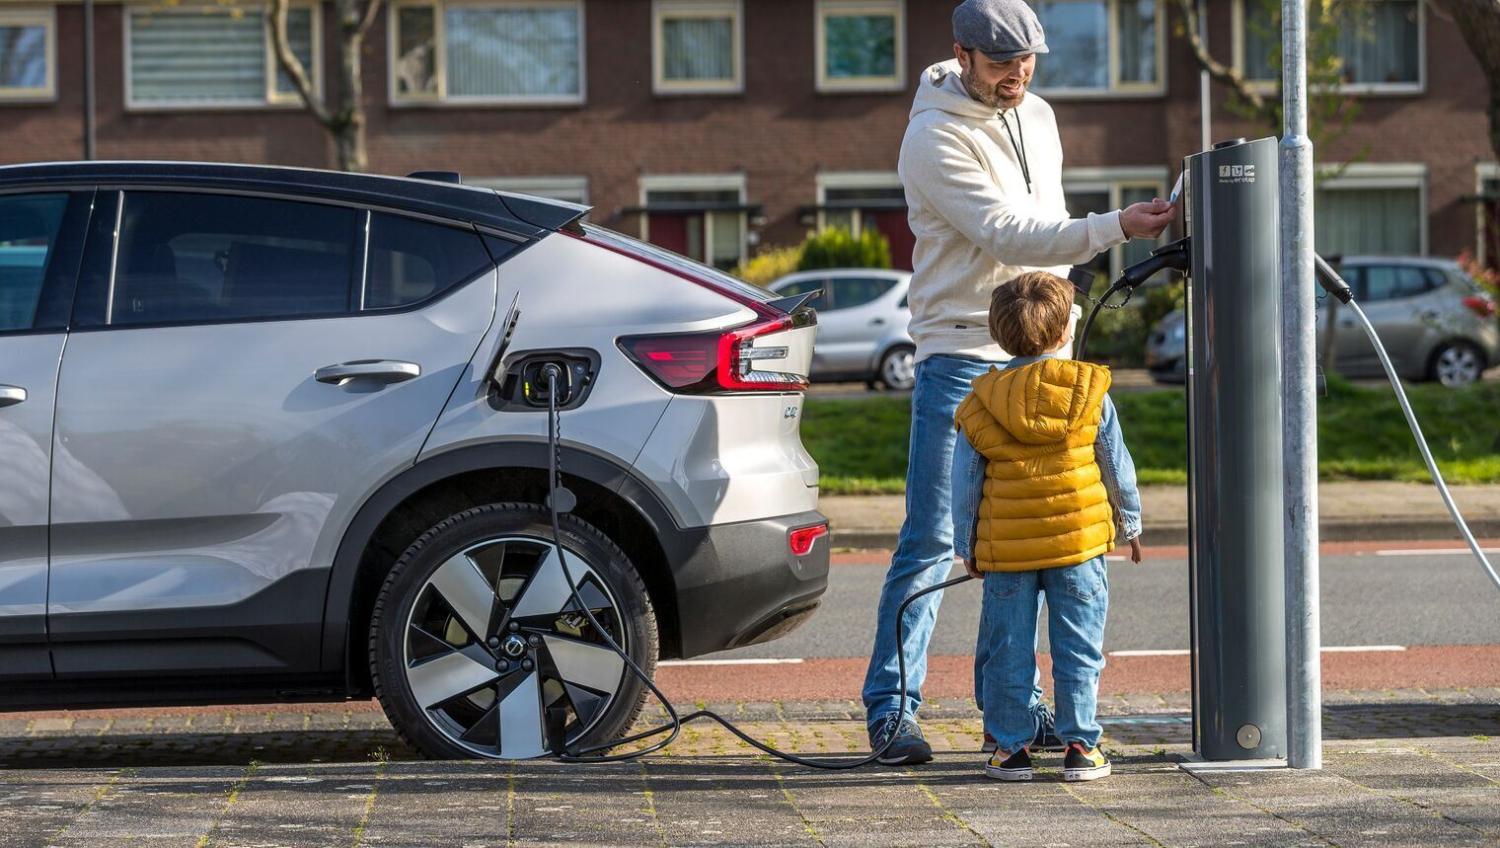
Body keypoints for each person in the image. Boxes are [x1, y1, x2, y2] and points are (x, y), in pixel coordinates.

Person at [861, 0, 1174, 765]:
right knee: (937, 540)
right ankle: (892, 712)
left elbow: (1046, 223)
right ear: (961, 54)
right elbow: (1008, 232)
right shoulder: (933, 136)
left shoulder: (1037, 113)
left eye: (1028, 60)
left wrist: (1060, 331)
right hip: (964, 355)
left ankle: (1015, 715)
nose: (1018, 76)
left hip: (1044, 355)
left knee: (1032, 543)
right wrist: (1115, 229)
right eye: (1002, 63)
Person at [954, 270, 1142, 782]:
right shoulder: (1088, 391)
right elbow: (1114, 461)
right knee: (1079, 645)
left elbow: (967, 481)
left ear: (998, 333)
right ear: (1063, 334)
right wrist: (1130, 522)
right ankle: (1081, 746)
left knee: (1008, 648)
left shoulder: (979, 403)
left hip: (1008, 551)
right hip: (1079, 545)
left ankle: (1010, 750)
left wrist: (965, 542)